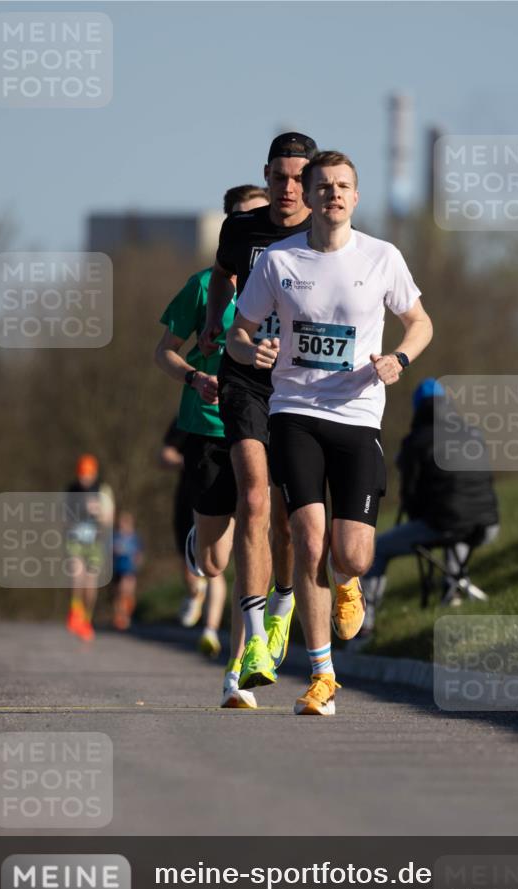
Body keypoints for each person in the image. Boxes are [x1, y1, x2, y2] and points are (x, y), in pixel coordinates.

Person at [226, 150, 433, 715]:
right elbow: (237, 333)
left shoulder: (382, 257)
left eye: (344, 186)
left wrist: (399, 359)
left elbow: (420, 322)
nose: (334, 195)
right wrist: (254, 348)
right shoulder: (278, 260)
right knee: (309, 540)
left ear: (355, 197)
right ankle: (322, 675)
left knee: (354, 554)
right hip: (294, 411)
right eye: (324, 187)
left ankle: (350, 582)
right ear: (309, 197)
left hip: (359, 414)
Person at [199, 133, 319, 691]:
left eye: (299, 178)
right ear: (266, 176)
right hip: (244, 374)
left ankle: (283, 606)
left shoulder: (325, 234)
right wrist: (213, 322)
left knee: (291, 520)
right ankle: (246, 656)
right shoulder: (241, 230)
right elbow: (223, 274)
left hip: (302, 387)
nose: (288, 188)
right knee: (253, 497)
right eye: (279, 177)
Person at [155, 184, 270, 707]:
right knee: (215, 562)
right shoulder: (204, 287)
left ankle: (239, 669)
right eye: (242, 221)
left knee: (257, 536)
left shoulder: (289, 282)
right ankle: (197, 543)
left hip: (265, 424)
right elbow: (163, 352)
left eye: (259, 218)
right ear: (229, 230)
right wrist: (193, 379)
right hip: (208, 426)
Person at [361, 378, 500, 630]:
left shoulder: (416, 442)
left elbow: (410, 496)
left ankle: (364, 625)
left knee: (377, 549)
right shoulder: (473, 433)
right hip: (488, 525)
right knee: (458, 525)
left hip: (446, 524)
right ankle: (453, 590)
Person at [159, 417, 223, 645]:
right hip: (189, 497)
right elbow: (165, 456)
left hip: (220, 494)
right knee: (189, 560)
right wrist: (188, 461)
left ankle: (210, 630)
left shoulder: (234, 408)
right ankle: (195, 592)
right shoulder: (184, 419)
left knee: (216, 566)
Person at [65, 454, 115, 641]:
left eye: (87, 474)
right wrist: (78, 512)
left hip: (96, 541)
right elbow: (63, 519)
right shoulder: (71, 490)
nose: (83, 478)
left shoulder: (103, 490)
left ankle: (86, 619)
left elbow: (109, 520)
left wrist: (98, 513)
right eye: (80, 474)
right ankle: (74, 611)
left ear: (94, 474)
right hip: (75, 540)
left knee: (90, 582)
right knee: (76, 573)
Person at [112, 510, 143, 630]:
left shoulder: (134, 538)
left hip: (130, 570)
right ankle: (119, 617)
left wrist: (137, 562)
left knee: (127, 591)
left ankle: (126, 616)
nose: (123, 525)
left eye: (126, 522)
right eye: (121, 522)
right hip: (117, 569)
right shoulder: (115, 537)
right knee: (118, 594)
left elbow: (139, 554)